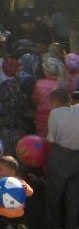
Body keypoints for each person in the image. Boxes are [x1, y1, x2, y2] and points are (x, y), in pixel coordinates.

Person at [45, 87, 79, 229]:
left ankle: (52, 225)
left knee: (54, 194)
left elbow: (51, 139)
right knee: (74, 197)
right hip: (77, 158)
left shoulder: (55, 113)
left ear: (55, 101)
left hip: (60, 156)